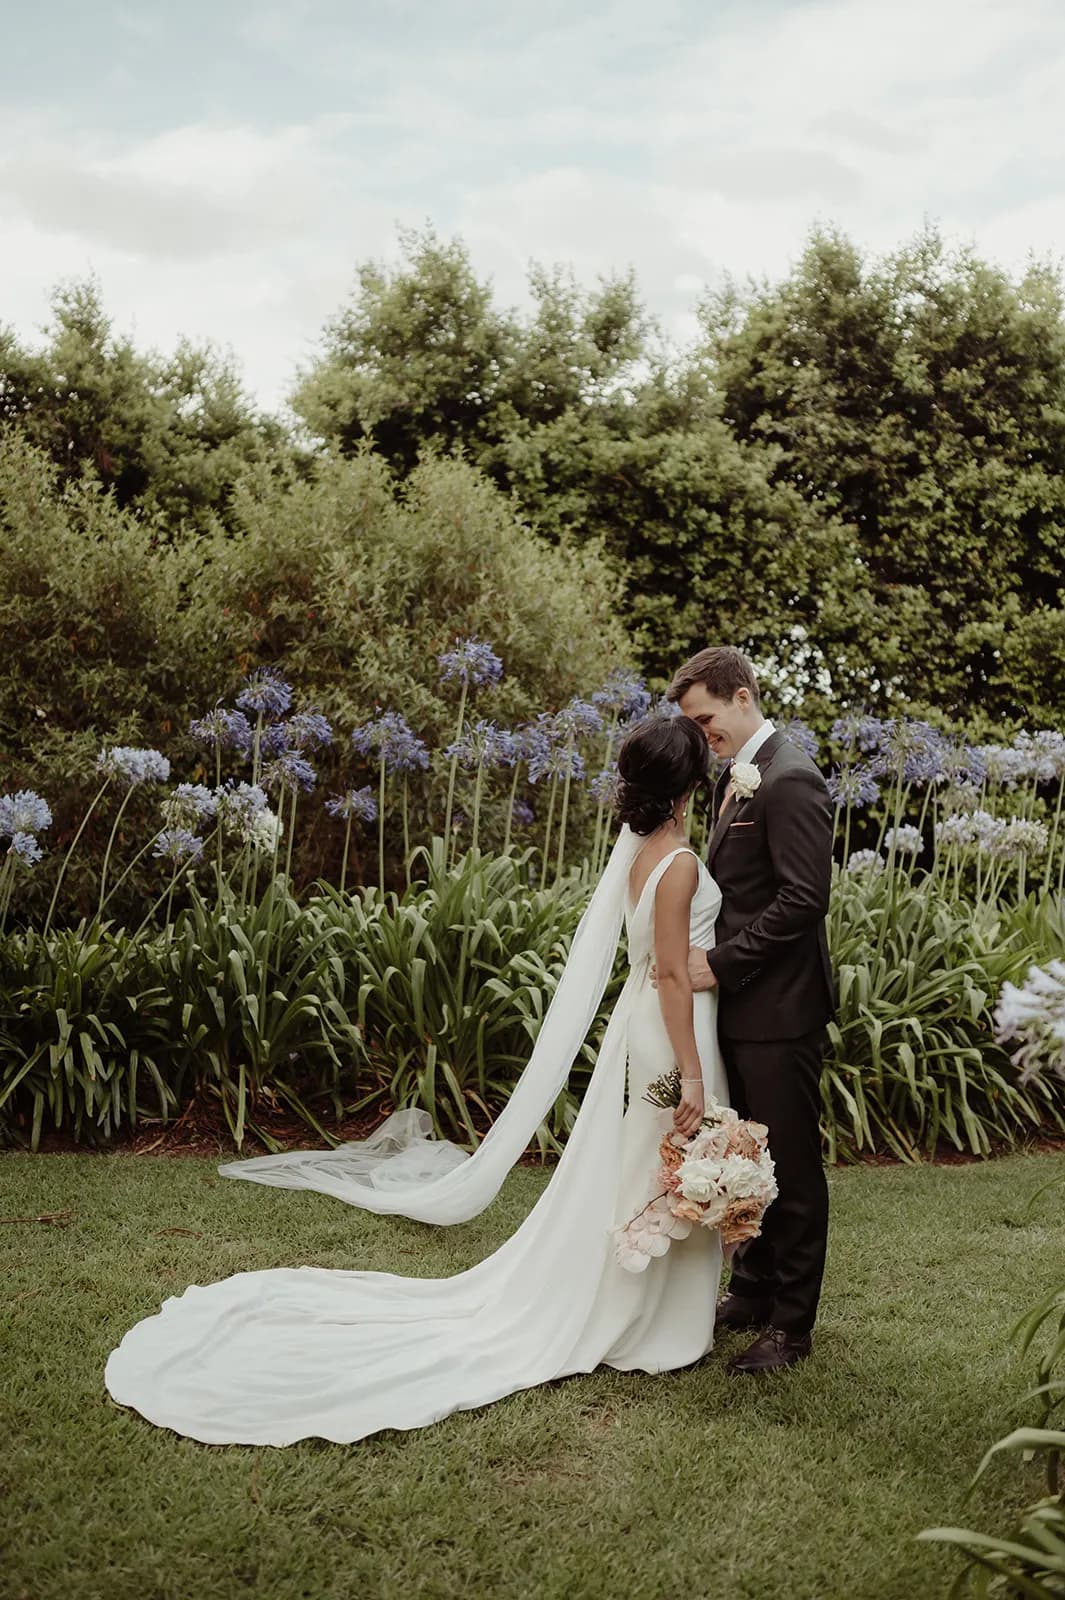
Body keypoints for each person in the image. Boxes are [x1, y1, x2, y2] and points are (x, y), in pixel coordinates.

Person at [105, 714, 731, 1446]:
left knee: (645, 1170)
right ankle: (641, 1323)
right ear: (691, 784)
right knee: (658, 1167)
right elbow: (668, 976)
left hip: (643, 1028)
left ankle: (649, 1312)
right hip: (666, 1036)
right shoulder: (678, 861)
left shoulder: (642, 853)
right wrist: (691, 1074)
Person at [667, 646, 834, 1374]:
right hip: (740, 1010)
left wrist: (721, 963)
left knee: (791, 1170)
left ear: (741, 697)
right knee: (749, 1156)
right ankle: (754, 1288)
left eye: (706, 719)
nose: (703, 736)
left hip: (781, 1012)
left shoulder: (791, 780)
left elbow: (803, 899)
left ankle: (791, 1326)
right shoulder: (738, 778)